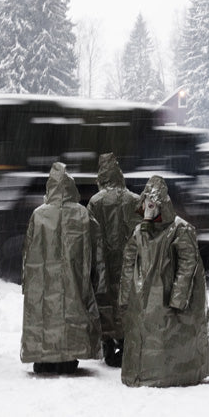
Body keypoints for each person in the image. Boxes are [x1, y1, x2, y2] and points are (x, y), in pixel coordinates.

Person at [119, 175, 209, 387]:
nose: (147, 211)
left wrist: (178, 298)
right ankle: (149, 372)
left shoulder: (180, 229)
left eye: (152, 205)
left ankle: (171, 373)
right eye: (145, 205)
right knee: (149, 332)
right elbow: (129, 261)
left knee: (169, 333)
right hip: (145, 296)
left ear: (161, 205)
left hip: (166, 294)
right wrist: (126, 296)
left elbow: (188, 264)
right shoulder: (140, 232)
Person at [20, 162, 102, 374]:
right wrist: (95, 279)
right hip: (74, 277)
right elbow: (96, 249)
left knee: (46, 314)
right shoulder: (82, 214)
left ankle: (44, 357)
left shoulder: (39, 214)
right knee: (71, 311)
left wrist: (27, 282)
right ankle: (68, 355)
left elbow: (28, 252)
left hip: (43, 280)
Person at [86, 153, 141, 367]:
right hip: (130, 261)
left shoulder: (95, 202)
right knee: (128, 298)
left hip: (104, 261)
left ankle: (108, 341)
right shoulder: (135, 200)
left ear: (101, 176)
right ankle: (127, 340)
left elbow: (90, 234)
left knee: (106, 298)